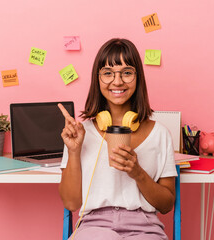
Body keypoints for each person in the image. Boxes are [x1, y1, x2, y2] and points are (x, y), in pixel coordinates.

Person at [58, 38, 177, 240]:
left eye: (127, 72)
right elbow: (71, 203)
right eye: (107, 73)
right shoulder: (80, 133)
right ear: (97, 79)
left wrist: (137, 172)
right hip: (94, 227)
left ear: (138, 78)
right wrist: (74, 151)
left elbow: (166, 205)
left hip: (145, 229)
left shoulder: (160, 133)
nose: (118, 81)